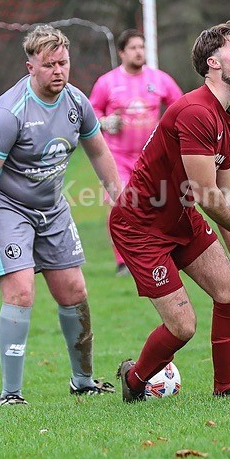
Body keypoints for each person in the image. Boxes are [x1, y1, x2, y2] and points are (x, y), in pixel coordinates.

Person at [109, 20, 230, 402]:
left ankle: (225, 391)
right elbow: (205, 193)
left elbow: (223, 193)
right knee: (183, 327)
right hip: (140, 227)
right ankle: (134, 380)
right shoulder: (196, 111)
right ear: (213, 62)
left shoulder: (224, 119)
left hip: (180, 219)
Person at [0, 24, 122, 405]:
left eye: (63, 63)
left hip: (53, 208)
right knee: (21, 292)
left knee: (75, 290)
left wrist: (120, 199)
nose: (58, 71)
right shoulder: (7, 113)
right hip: (9, 208)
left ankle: (83, 381)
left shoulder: (76, 102)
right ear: (30, 67)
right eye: (49, 64)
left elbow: (99, 151)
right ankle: (11, 394)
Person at [89, 29, 183, 276]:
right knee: (120, 205)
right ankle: (123, 261)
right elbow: (90, 112)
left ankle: (158, 254)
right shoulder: (107, 82)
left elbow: (179, 106)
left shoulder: (159, 79)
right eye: (133, 47)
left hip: (151, 158)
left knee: (158, 206)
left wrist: (169, 130)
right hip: (116, 158)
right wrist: (104, 122)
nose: (139, 52)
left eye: (142, 47)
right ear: (122, 52)